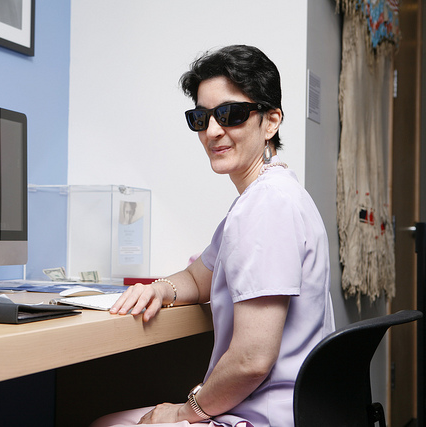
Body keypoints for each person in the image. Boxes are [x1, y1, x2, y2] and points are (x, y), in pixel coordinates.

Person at [91, 45, 335, 427]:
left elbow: (252, 359)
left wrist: (187, 411)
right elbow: (196, 278)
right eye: (201, 118)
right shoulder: (267, 196)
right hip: (287, 408)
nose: (213, 131)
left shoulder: (266, 206)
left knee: (105, 422)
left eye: (231, 114)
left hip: (266, 417)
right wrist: (159, 289)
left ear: (271, 122)